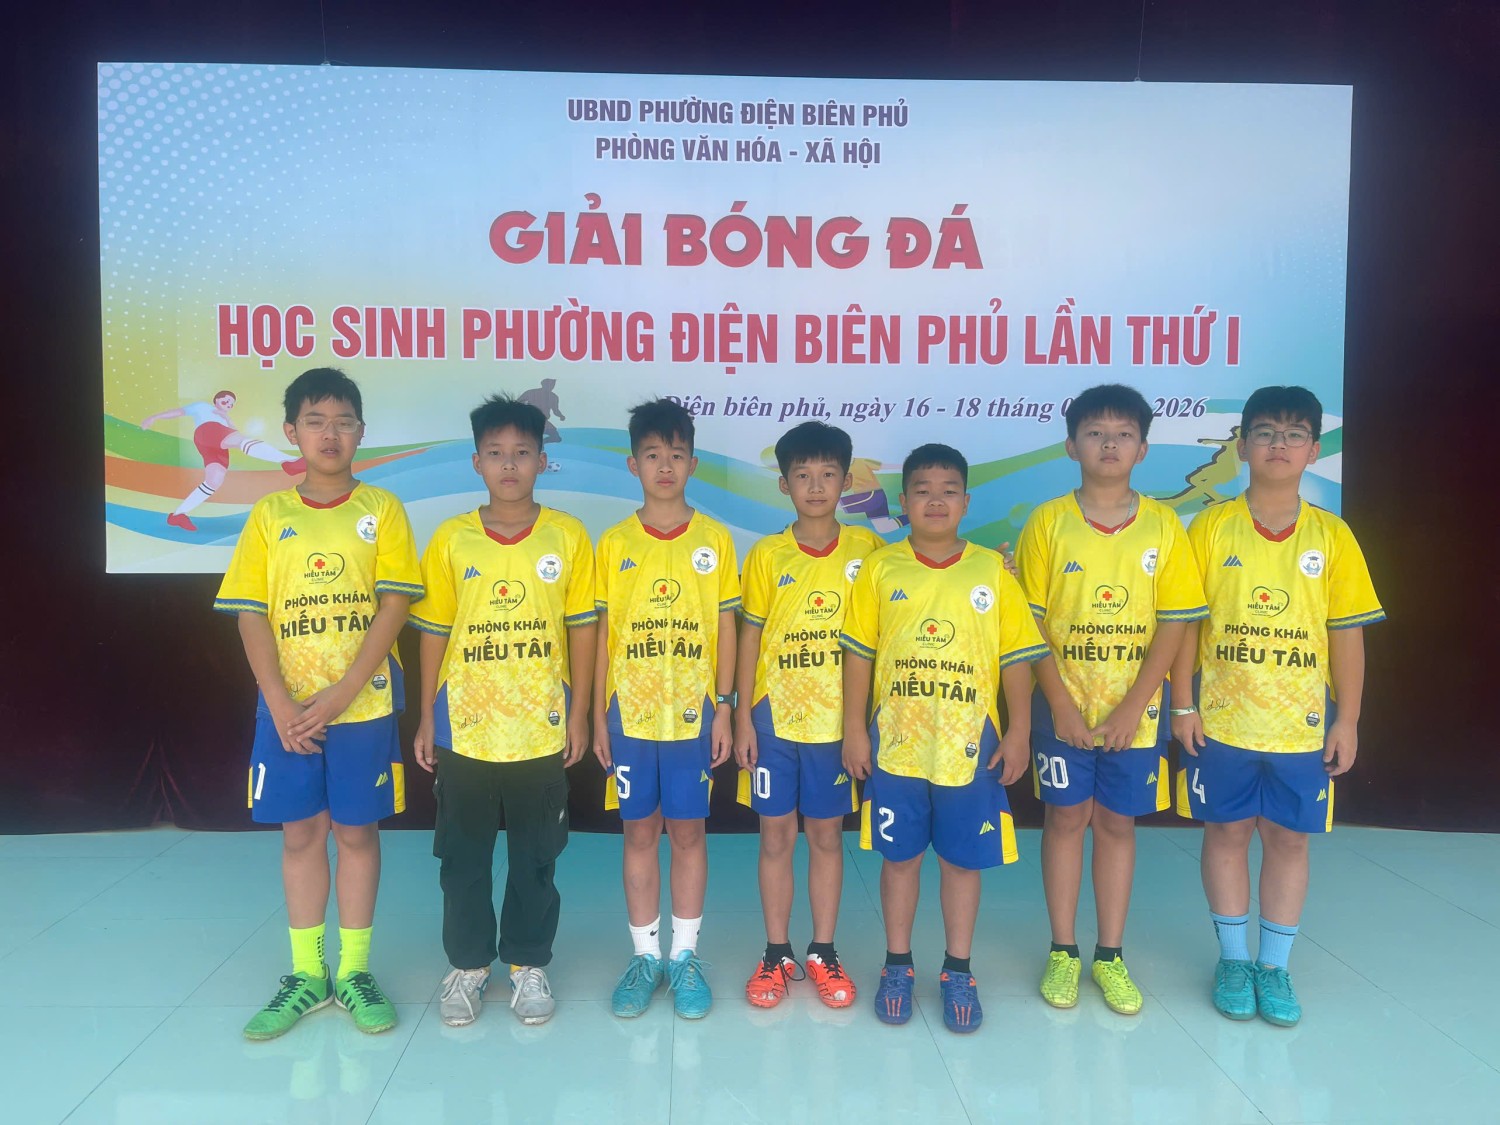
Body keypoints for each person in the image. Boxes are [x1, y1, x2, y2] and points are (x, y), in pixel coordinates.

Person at [214, 368, 422, 1040]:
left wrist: (344, 690)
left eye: (342, 422)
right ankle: (307, 974)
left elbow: (394, 606)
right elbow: (250, 612)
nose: (329, 434)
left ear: (361, 431)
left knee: (357, 833)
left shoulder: (383, 509)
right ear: (291, 432)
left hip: (362, 707)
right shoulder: (270, 515)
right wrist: (278, 701)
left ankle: (355, 972)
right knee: (301, 834)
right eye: (315, 421)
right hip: (289, 713)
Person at [1171, 385, 1384, 1028]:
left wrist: (1348, 720)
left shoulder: (1333, 535)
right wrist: (1182, 706)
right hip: (1222, 720)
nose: (1279, 445)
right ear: (1243, 446)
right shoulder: (1210, 528)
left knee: (1289, 841)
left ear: (1314, 451)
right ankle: (1234, 960)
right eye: (1265, 432)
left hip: (1301, 728)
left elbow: (1347, 634)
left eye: (1294, 434)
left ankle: (1275, 967)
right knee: (1227, 833)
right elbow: (1185, 626)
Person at [840, 443, 1049, 1034]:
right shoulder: (881, 568)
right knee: (900, 859)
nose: (936, 500)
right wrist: (854, 730)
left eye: (949, 490)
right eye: (923, 490)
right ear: (903, 502)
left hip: (970, 749)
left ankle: (959, 968)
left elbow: (1016, 658)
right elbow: (859, 656)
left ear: (966, 502)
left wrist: (1019, 732)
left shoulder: (991, 571)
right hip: (897, 745)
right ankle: (897, 965)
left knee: (961, 862)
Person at [1016, 384, 1208, 1015]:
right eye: (1095, 433)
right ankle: (1063, 950)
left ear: (1143, 449)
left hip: (1137, 714)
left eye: (1123, 434)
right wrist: (1061, 705)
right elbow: (1030, 624)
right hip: (1061, 709)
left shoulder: (1163, 525)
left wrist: (1137, 706)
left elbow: (1175, 622)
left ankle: (1110, 955)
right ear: (1071, 446)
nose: (1109, 444)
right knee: (1066, 820)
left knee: (1118, 825)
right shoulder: (1048, 522)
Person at [409, 395, 598, 1028]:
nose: (509, 465)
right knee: (462, 858)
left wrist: (578, 714)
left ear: (543, 461)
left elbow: (583, 630)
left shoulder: (567, 536)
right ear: (476, 462)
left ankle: (527, 963)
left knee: (536, 857)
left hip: (541, 727)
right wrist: (426, 716)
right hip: (466, 727)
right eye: (496, 453)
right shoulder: (451, 538)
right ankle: (467, 965)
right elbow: (433, 631)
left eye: (522, 453)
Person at [592, 398, 739, 1020]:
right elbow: (604, 634)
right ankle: (644, 956)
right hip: (629, 716)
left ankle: (684, 956)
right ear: (633, 464)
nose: (665, 466)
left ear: (693, 464)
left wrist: (725, 707)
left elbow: (726, 627)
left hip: (692, 716)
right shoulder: (614, 543)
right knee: (638, 831)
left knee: (687, 831)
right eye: (652, 455)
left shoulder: (714, 540)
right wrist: (597, 715)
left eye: (677, 455)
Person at [734, 421, 882, 1009]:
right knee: (775, 836)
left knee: (825, 836)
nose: (816, 486)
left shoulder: (868, 552)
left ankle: (823, 950)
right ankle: (776, 952)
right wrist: (742, 717)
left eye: (828, 475)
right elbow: (750, 637)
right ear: (784, 484)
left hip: (836, 727)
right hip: (774, 723)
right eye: (803, 475)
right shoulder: (767, 555)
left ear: (846, 482)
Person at [143, 390, 305, 531]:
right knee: (243, 441)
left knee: (213, 481)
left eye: (231, 404)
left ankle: (178, 515)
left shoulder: (224, 418)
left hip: (213, 443)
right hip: (208, 431)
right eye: (226, 401)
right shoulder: (203, 407)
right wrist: (155, 417)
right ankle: (289, 461)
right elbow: (179, 412)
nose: (228, 404)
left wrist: (226, 418)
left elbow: (233, 432)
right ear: (216, 400)